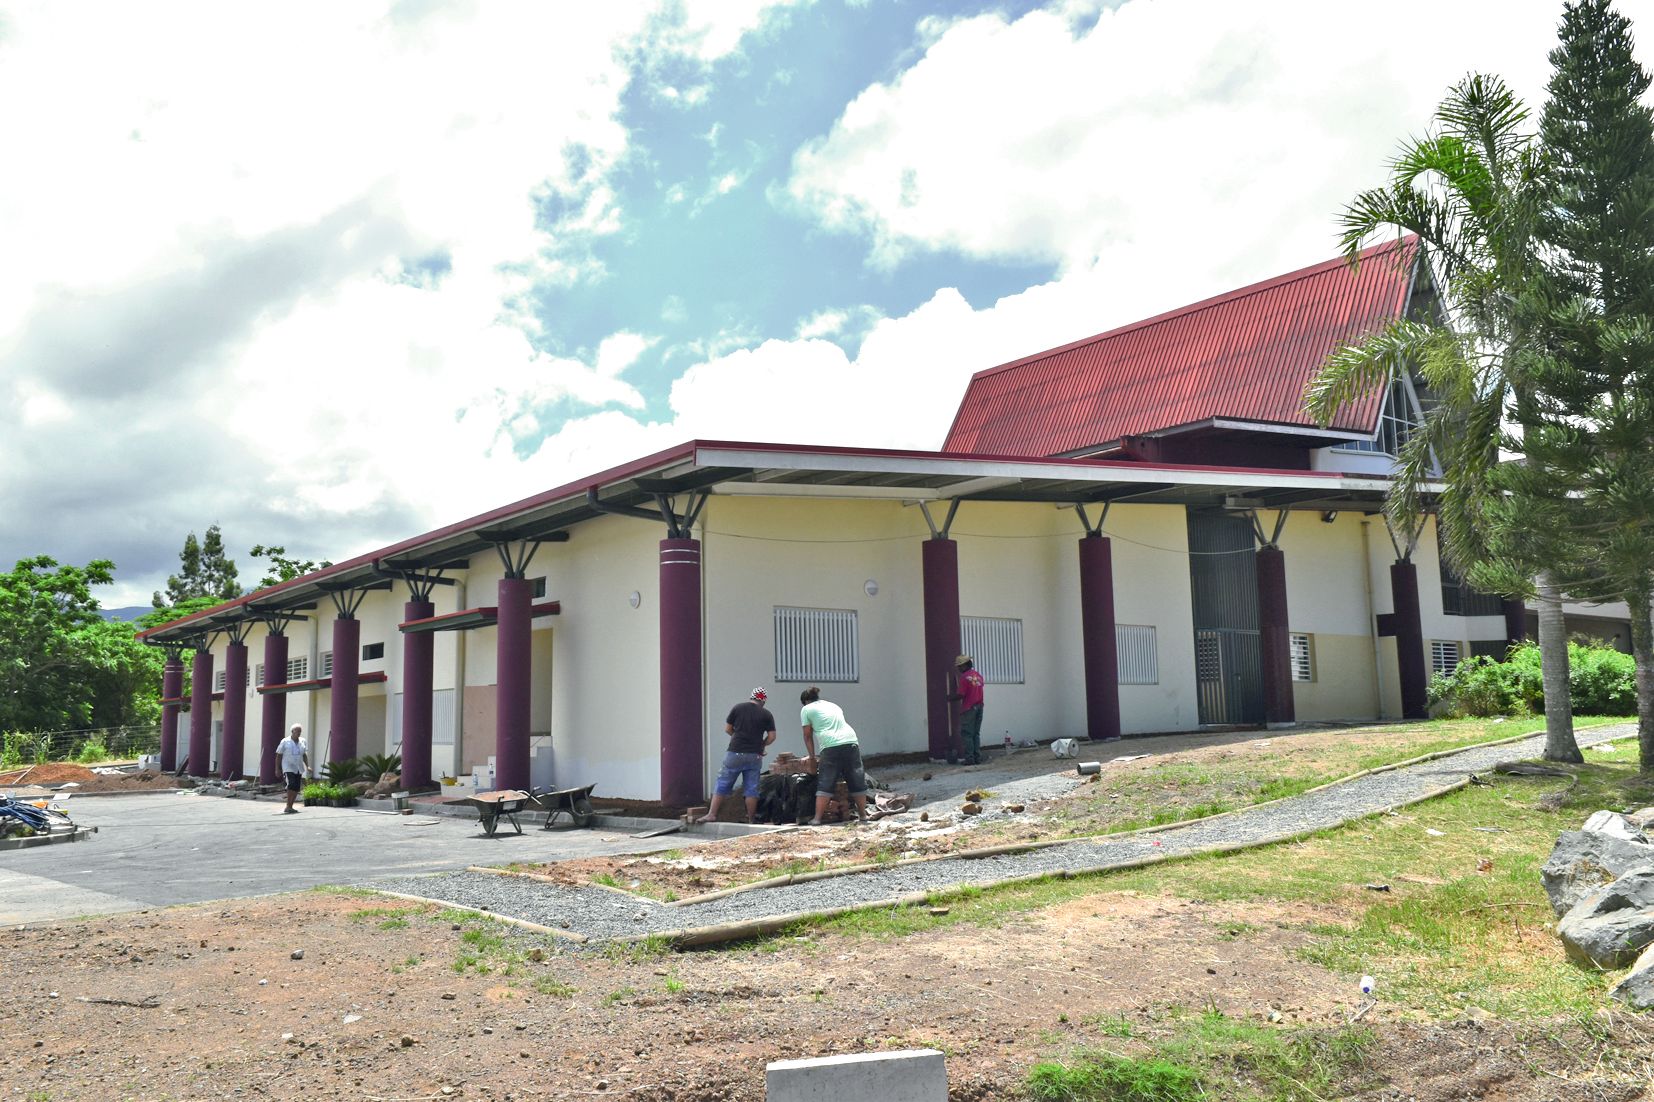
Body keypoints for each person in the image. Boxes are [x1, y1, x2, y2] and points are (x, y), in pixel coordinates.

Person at [698, 687, 777, 824]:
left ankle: (712, 814)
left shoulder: (738, 708)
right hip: (755, 755)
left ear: (751, 697)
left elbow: (727, 729)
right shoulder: (767, 714)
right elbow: (772, 737)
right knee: (752, 788)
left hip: (735, 753)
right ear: (763, 701)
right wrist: (762, 745)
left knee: (722, 783)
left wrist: (738, 737)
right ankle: (752, 819)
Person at [798, 686, 870, 825]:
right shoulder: (833, 705)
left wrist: (812, 757)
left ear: (806, 701)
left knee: (826, 781)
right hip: (851, 741)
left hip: (830, 745)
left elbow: (807, 736)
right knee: (856, 778)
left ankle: (817, 819)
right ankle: (863, 816)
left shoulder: (806, 709)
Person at [949, 654, 986, 765]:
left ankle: (969, 759)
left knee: (967, 734)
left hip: (969, 709)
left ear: (964, 665)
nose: (959, 669)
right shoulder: (978, 676)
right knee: (976, 734)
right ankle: (977, 758)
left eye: (959, 666)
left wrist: (949, 698)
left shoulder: (964, 678)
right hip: (979, 707)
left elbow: (961, 694)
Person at [276, 723, 310, 814]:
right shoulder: (285, 741)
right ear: (292, 731)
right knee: (291, 784)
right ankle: (288, 805)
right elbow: (279, 755)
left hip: (298, 767)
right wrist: (277, 769)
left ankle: (290, 806)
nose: (299, 733)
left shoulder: (303, 741)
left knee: (296, 787)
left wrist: (308, 765)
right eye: (297, 731)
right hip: (288, 767)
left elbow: (304, 755)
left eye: (300, 731)